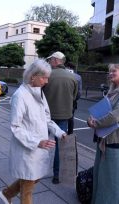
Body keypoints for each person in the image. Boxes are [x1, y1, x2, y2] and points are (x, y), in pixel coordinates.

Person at [0, 59, 67, 204]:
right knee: (28, 186)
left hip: (40, 146)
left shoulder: (39, 92)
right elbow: (15, 127)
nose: (46, 81)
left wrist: (60, 132)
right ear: (32, 76)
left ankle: (7, 193)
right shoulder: (20, 95)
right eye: (44, 77)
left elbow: (47, 119)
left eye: (47, 77)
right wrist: (36, 142)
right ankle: (7, 194)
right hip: (28, 148)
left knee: (34, 177)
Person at [87, 64, 119, 204]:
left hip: (116, 140)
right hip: (103, 138)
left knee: (113, 179)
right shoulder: (113, 91)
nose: (110, 73)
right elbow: (102, 111)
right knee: (101, 175)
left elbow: (116, 115)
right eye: (109, 71)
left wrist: (95, 123)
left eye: (113, 71)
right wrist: (90, 119)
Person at [42, 51, 78, 184]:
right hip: (64, 115)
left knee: (43, 141)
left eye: (51, 60)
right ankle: (56, 175)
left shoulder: (47, 75)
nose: (49, 62)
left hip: (46, 115)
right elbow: (74, 97)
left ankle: (38, 169)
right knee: (59, 145)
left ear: (56, 61)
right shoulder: (72, 77)